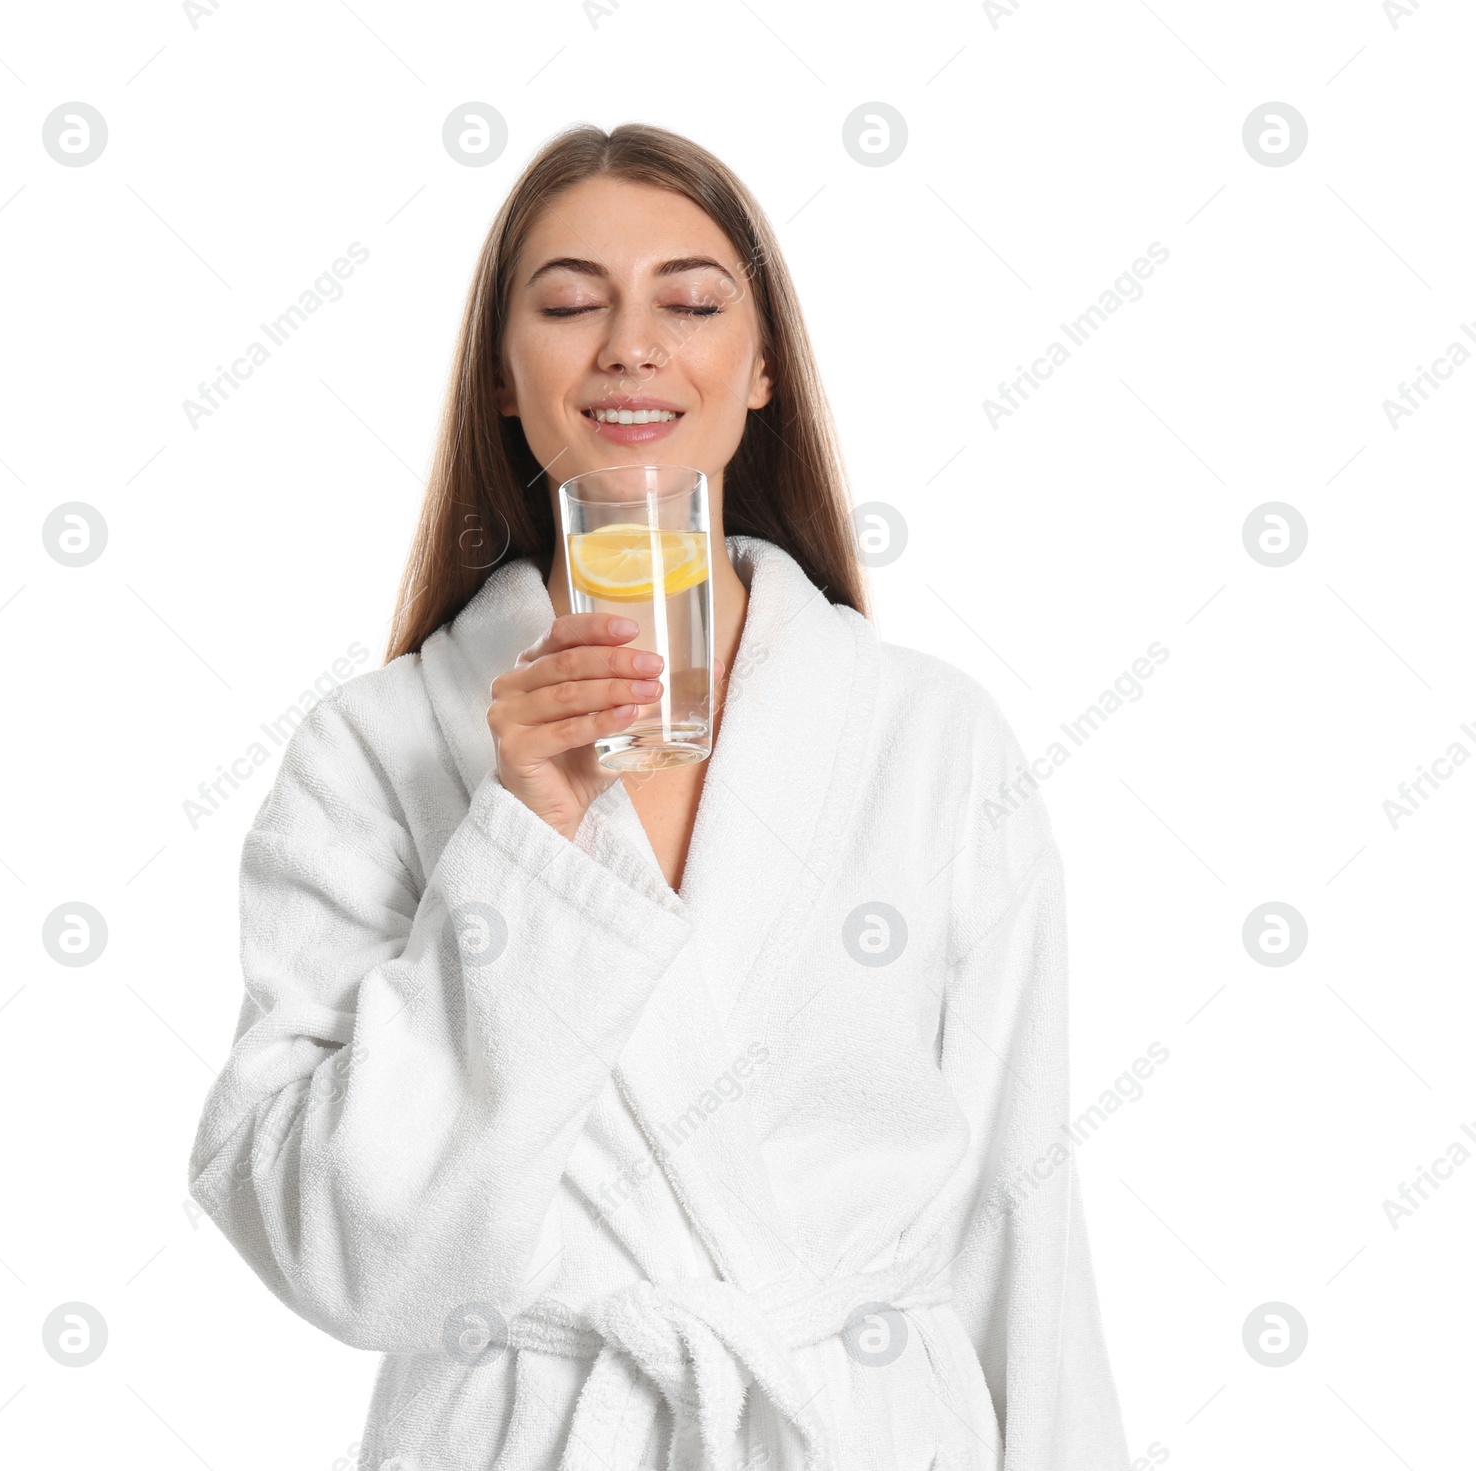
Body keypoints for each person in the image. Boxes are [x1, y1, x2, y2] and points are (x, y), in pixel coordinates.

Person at [188, 121, 1132, 1471]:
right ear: (505, 383)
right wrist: (521, 841)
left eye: (691, 304)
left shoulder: (931, 741)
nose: (632, 343)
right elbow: (348, 1260)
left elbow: (1018, 1213)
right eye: (569, 304)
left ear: (759, 376)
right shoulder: (375, 752)